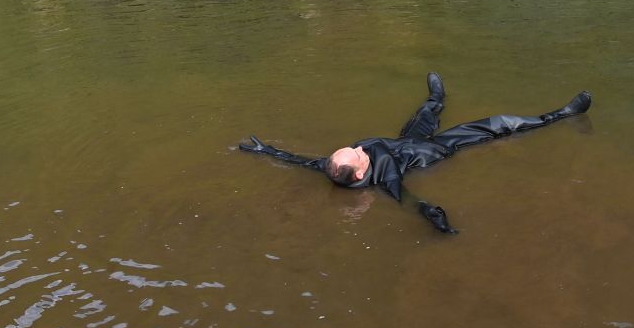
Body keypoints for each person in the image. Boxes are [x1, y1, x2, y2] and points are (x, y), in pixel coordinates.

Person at [239, 73, 593, 234]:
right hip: (435, 150)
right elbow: (407, 200)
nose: (358, 148)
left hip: (407, 139)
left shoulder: (333, 167)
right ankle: (564, 115)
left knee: (428, 110)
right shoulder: (385, 178)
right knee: (499, 124)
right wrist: (435, 218)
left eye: (349, 148)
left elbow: (299, 161)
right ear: (361, 173)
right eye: (357, 154)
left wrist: (265, 150)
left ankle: (437, 94)